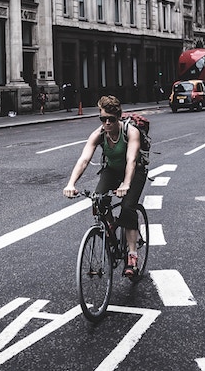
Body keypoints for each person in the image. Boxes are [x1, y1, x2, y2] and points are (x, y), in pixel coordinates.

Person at [63, 95, 147, 277]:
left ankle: (132, 256)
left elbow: (131, 160)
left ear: (119, 117)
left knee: (127, 207)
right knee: (97, 200)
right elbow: (84, 159)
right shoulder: (99, 134)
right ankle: (110, 229)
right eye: (103, 119)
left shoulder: (131, 132)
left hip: (135, 171)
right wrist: (71, 183)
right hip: (112, 170)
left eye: (111, 119)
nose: (107, 123)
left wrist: (126, 184)